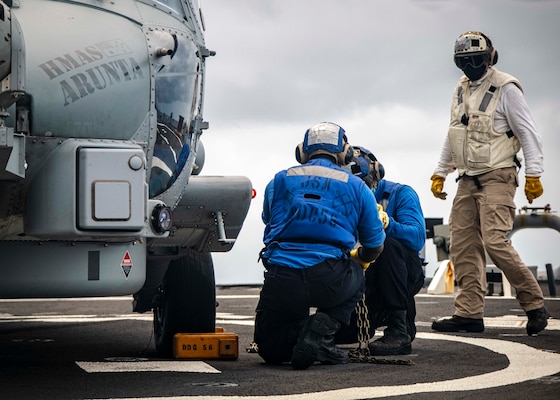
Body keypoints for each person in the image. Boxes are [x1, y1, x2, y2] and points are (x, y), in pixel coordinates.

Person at [430, 31, 549, 335]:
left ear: (490, 57)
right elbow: (454, 132)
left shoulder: (506, 89)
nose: (471, 66)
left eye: (476, 59)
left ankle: (534, 304)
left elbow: (527, 132)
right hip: (467, 179)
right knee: (463, 244)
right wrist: (441, 171)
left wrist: (534, 173)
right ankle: (468, 313)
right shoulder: (460, 90)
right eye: (464, 61)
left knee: (494, 239)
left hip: (498, 175)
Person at [254, 122, 386, 370]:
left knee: (270, 349)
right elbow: (375, 245)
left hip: (282, 277)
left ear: (302, 151)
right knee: (356, 272)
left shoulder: (279, 180)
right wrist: (360, 261)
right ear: (345, 153)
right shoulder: (357, 186)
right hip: (330, 277)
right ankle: (319, 332)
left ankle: (305, 332)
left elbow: (268, 219)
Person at [335, 146, 426, 355]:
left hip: (394, 273)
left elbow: (417, 237)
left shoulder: (400, 193)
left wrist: (387, 224)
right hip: (354, 280)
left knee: (388, 245)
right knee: (339, 333)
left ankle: (398, 327)